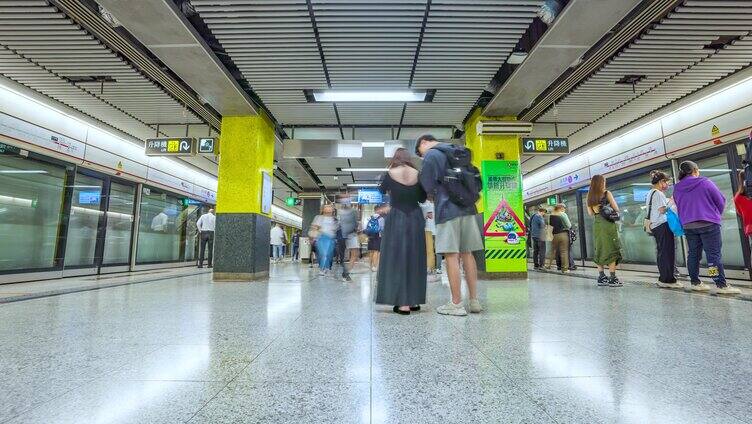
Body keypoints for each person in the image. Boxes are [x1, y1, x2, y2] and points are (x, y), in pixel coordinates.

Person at [416, 134, 484, 316]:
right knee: (468, 253)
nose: (422, 156)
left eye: (419, 153)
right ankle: (474, 300)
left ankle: (456, 303)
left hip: (447, 210)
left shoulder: (432, 155)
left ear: (424, 142)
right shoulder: (457, 150)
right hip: (468, 208)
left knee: (451, 255)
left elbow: (427, 185)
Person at [674, 161, 740, 294]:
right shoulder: (704, 182)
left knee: (693, 254)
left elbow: (677, 204)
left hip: (688, 225)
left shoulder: (677, 187)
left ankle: (695, 282)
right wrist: (715, 215)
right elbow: (720, 200)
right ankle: (721, 284)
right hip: (708, 223)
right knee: (713, 255)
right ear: (695, 170)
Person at [375, 148, 427, 315]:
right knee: (415, 257)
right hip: (415, 217)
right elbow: (422, 198)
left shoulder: (390, 173)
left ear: (395, 158)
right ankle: (413, 301)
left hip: (396, 216)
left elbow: (382, 190)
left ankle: (402, 303)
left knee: (396, 258)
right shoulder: (417, 173)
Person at [645, 170, 681, 289]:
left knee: (662, 252)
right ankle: (669, 280)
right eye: (667, 182)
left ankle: (663, 278)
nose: (668, 185)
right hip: (662, 225)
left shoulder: (650, 193)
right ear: (661, 182)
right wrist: (670, 202)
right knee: (667, 253)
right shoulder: (659, 193)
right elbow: (662, 210)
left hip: (655, 226)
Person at [586, 174, 622, 287]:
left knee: (600, 247)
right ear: (602, 183)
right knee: (611, 247)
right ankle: (612, 278)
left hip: (597, 224)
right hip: (608, 224)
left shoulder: (589, 196)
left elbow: (590, 213)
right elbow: (616, 208)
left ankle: (601, 277)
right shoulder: (607, 193)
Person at [310, 204, 338, 276]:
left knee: (328, 254)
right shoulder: (318, 217)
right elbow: (314, 227)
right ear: (323, 210)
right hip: (321, 237)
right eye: (327, 208)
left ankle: (327, 268)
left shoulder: (334, 219)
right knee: (323, 254)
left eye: (330, 208)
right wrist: (312, 237)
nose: (329, 209)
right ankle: (322, 269)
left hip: (331, 238)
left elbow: (336, 229)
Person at [336, 194, 359, 282]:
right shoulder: (340, 212)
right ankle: (346, 273)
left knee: (354, 254)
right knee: (346, 255)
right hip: (344, 235)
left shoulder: (352, 211)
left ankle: (346, 272)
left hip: (349, 235)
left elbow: (355, 223)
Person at [546, 204, 571, 273]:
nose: (564, 209)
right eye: (564, 208)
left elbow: (549, 226)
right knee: (564, 252)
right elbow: (569, 225)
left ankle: (548, 265)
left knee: (552, 251)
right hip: (563, 234)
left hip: (554, 235)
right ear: (560, 208)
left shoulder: (550, 216)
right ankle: (565, 269)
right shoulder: (562, 214)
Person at [421, 200, 440, 282]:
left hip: (428, 229)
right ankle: (434, 269)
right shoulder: (435, 203)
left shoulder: (425, 204)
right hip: (434, 229)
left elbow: (429, 216)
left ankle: (431, 271)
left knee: (430, 251)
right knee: (434, 250)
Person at [365, 206, 385, 272]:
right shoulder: (381, 218)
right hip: (378, 236)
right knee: (376, 251)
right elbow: (382, 229)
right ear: (379, 210)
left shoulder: (370, 218)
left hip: (370, 236)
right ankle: (374, 266)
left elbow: (367, 228)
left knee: (371, 251)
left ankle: (370, 266)